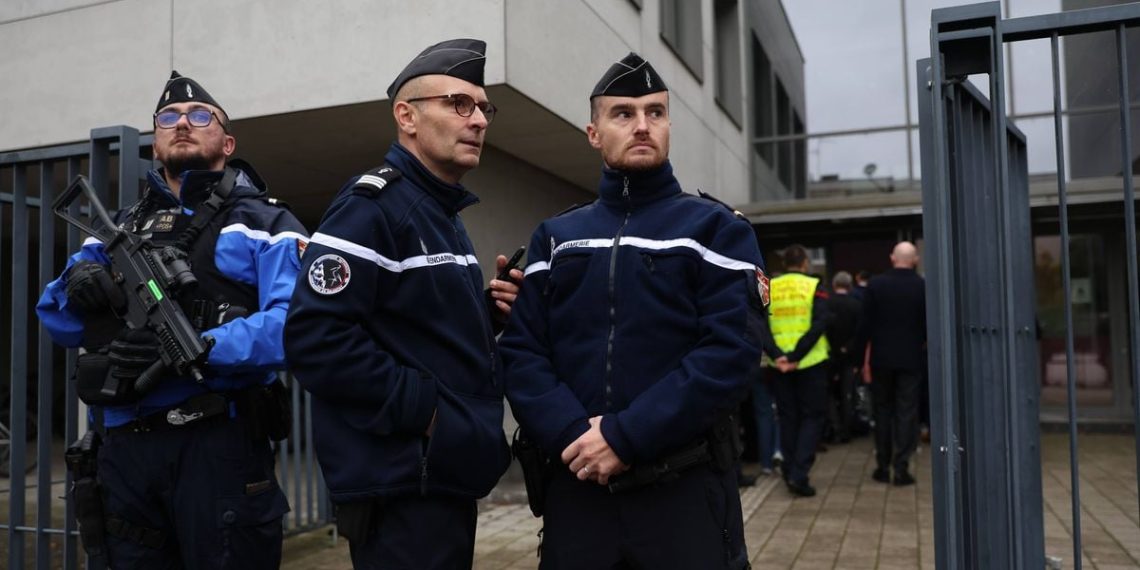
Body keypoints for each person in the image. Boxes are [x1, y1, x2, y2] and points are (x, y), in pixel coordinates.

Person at [500, 53, 766, 569]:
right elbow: (522, 352)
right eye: (623, 113)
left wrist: (624, 436)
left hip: (684, 497)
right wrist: (576, 437)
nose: (642, 125)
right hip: (578, 494)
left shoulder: (717, 230)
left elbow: (729, 355)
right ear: (594, 132)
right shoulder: (556, 236)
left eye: (656, 112)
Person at [36, 71, 305, 568]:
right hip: (124, 452)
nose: (182, 124)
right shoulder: (116, 229)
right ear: (155, 146)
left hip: (217, 446)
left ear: (226, 143)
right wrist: (75, 288)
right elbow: (57, 319)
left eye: (199, 116)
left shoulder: (264, 222)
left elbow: (297, 325)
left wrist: (197, 345)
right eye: (168, 119)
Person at [284, 39, 521, 569]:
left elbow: (413, 330)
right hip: (402, 485)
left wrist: (487, 315)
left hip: (436, 476)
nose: (479, 119)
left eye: (484, 107)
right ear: (407, 117)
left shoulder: (438, 211)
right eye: (459, 104)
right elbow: (316, 342)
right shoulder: (371, 208)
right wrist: (430, 414)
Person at [762, 244, 831, 497]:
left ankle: (790, 469)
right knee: (812, 418)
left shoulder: (769, 287)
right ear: (804, 263)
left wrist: (778, 355)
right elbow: (819, 325)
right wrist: (795, 357)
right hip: (809, 364)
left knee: (788, 418)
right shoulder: (814, 287)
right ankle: (799, 475)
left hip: (778, 366)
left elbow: (760, 325)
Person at [856, 241, 926, 486]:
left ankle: (882, 467)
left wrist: (858, 361)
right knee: (907, 413)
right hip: (911, 359)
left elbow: (864, 325)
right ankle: (902, 467)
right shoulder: (922, 287)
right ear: (915, 259)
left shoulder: (876, 285)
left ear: (892, 258)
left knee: (883, 412)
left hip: (881, 359)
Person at [826, 270, 862, 443]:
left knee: (830, 395)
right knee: (847, 394)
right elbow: (860, 332)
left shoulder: (827, 304)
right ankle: (847, 431)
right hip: (849, 358)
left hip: (829, 357)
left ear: (834, 285)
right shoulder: (856, 305)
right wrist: (848, 348)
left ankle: (835, 428)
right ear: (850, 286)